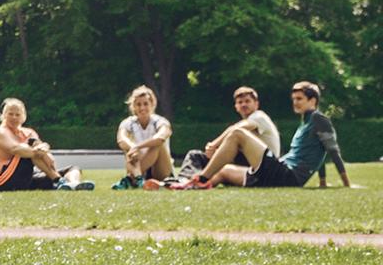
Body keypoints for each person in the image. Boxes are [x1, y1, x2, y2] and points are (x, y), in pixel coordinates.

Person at [178, 81, 352, 189]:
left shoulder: (319, 119)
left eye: (299, 99)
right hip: (278, 172)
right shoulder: (306, 122)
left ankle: (201, 178)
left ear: (312, 100)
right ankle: (188, 185)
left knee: (238, 133)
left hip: (288, 176)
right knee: (223, 171)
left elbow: (332, 150)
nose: (295, 102)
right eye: (294, 99)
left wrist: (346, 184)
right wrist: (322, 181)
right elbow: (319, 151)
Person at [177, 86, 282, 177]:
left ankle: (191, 179)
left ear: (256, 104)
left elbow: (236, 129)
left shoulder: (259, 116)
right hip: (246, 162)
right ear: (236, 107)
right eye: (240, 102)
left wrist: (213, 145)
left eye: (247, 101)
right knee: (196, 156)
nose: (243, 104)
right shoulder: (250, 120)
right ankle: (186, 179)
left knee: (198, 157)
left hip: (263, 165)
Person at [0, 99, 90, 191]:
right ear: (4, 115)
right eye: (10, 114)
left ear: (23, 117)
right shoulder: (0, 132)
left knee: (72, 168)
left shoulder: (29, 132)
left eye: (17, 114)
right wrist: (40, 151)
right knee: (28, 148)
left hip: (26, 178)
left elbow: (42, 147)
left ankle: (73, 184)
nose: (14, 117)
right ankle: (57, 179)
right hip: (6, 181)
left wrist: (45, 151)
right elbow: (16, 149)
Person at [111, 85, 173, 190]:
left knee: (156, 145)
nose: (142, 108)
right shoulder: (128, 123)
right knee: (128, 148)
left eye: (145, 104)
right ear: (133, 107)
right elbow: (121, 139)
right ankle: (138, 178)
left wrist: (138, 146)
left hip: (160, 170)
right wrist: (133, 147)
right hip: (138, 164)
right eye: (138, 104)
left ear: (152, 104)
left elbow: (161, 137)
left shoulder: (160, 121)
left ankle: (131, 179)